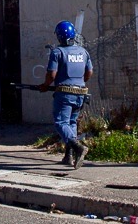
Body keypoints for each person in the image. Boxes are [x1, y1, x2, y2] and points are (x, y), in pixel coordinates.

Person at [38, 21, 93, 169]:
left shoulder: (58, 52)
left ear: (60, 37)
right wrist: (79, 83)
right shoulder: (83, 52)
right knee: (72, 123)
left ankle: (77, 147)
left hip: (64, 94)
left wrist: (45, 85)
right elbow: (89, 73)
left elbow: (52, 74)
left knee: (61, 123)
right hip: (80, 93)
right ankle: (68, 157)